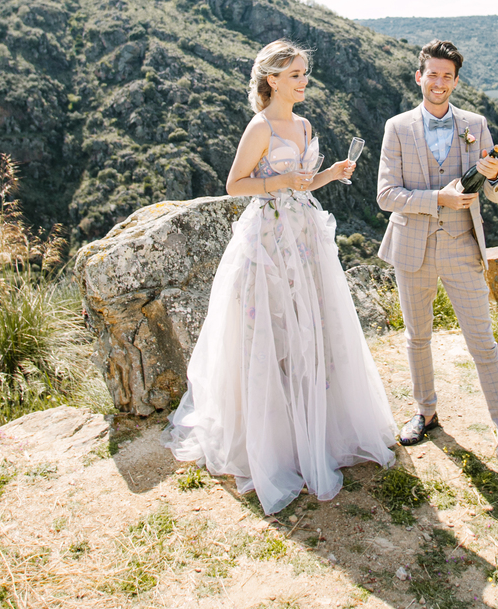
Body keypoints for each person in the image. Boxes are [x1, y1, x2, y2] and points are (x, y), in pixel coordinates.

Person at [163, 39, 395, 514]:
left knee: (312, 329)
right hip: (268, 239)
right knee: (272, 331)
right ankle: (276, 442)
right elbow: (235, 185)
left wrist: (331, 172)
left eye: (304, 73)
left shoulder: (305, 124)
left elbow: (305, 181)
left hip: (305, 236)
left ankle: (314, 431)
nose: (304, 81)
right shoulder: (260, 126)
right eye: (295, 74)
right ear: (272, 79)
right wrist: (280, 182)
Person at [376, 39, 498, 488]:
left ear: (456, 81)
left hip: (463, 248)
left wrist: (494, 176)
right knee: (417, 338)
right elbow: (386, 196)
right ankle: (426, 412)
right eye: (432, 74)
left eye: (448, 76)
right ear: (419, 76)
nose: (439, 82)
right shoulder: (397, 127)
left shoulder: (476, 125)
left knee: (483, 344)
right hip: (412, 248)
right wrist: (436, 199)